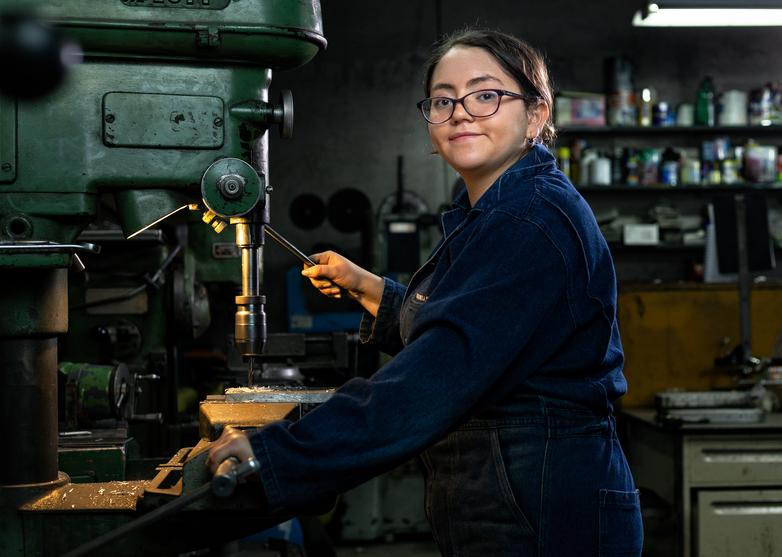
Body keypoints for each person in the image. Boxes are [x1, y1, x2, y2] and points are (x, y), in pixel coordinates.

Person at [208, 28, 643, 556]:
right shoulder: (489, 212)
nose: (461, 112)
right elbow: (479, 332)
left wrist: (273, 456)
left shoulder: (528, 219)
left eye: (486, 95)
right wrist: (370, 288)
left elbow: (434, 378)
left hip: (543, 504)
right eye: (443, 100)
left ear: (535, 113)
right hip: (511, 493)